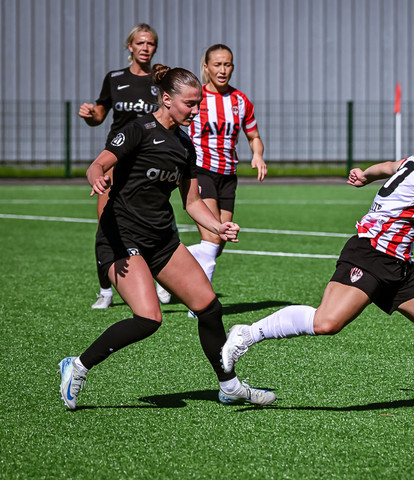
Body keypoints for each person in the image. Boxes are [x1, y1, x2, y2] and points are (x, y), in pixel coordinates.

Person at [222, 126, 414, 413]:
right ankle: (247, 334)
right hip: (370, 254)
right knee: (326, 322)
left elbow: (391, 166)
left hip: (397, 262)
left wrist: (366, 175)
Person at [58, 64, 276, 410]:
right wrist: (97, 177)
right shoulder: (139, 129)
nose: (196, 110)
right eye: (190, 103)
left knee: (209, 307)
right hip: (121, 237)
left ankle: (229, 385)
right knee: (149, 319)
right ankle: (78, 365)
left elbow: (192, 202)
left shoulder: (185, 145)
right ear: (167, 99)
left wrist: (217, 227)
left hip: (162, 240)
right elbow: (97, 164)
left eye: (198, 103)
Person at [155, 44, 266, 308]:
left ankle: (166, 268)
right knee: (212, 238)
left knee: (219, 241)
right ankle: (201, 305)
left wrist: (258, 155)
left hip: (228, 175)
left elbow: (253, 136)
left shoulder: (240, 101)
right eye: (217, 64)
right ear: (206, 67)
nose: (223, 70)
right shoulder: (196, 97)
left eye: (227, 64)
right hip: (200, 170)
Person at [79, 23, 160, 309]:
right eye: (140, 42)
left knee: (154, 220)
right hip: (116, 159)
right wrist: (89, 115)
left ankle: (162, 279)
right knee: (106, 222)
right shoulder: (114, 78)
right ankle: (105, 290)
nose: (145, 48)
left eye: (150, 43)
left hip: (149, 160)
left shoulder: (161, 78)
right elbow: (99, 116)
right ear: (130, 46)